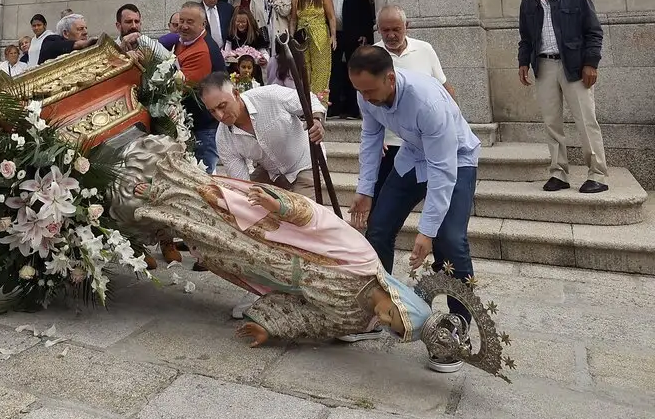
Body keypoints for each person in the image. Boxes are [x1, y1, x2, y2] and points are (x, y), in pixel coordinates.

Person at [112, 135, 498, 378]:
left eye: (391, 330)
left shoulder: (351, 318)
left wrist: (271, 327)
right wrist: (278, 203)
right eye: (393, 315)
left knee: (203, 240)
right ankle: (152, 180)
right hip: (269, 233)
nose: (382, 320)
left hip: (257, 265)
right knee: (211, 205)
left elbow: (307, 318)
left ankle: (151, 211)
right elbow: (319, 221)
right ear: (399, 298)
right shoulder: (361, 259)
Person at [347, 46, 480, 373]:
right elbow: (370, 138)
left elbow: (443, 170)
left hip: (456, 161)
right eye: (359, 91)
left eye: (370, 90)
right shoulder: (369, 95)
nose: (364, 98)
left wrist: (427, 232)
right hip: (412, 158)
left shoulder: (427, 102)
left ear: (390, 78)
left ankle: (456, 324)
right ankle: (381, 308)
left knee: (450, 239)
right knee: (378, 227)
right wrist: (365, 190)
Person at [517, 0, 609, 193]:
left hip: (575, 66)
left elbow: (594, 33)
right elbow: (525, 39)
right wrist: (523, 63)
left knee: (586, 120)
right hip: (544, 66)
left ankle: (597, 173)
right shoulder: (528, 3)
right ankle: (559, 173)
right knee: (551, 122)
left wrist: (591, 63)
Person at [373, 5, 457, 202]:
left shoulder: (425, 49)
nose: (391, 35)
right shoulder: (372, 55)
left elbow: (445, 90)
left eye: (396, 29)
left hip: (427, 141)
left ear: (406, 26)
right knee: (382, 203)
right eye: (385, 30)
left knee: (439, 199)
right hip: (391, 143)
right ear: (378, 29)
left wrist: (454, 127)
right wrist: (376, 139)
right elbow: (369, 102)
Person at [199, 72, 325, 199]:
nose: (220, 116)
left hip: (306, 164)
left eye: (222, 106)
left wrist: (316, 120)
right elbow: (241, 185)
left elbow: (309, 101)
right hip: (272, 173)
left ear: (236, 94)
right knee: (244, 202)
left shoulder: (269, 96)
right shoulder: (223, 138)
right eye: (213, 111)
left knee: (302, 214)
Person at [170, 2, 228, 172]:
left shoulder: (202, 51)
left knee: (204, 181)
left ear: (203, 24)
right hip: (195, 125)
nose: (184, 26)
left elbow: (178, 88)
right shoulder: (186, 41)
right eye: (181, 21)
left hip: (205, 128)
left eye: (190, 22)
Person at [327, 0, 374, 119]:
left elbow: (366, 13)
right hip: (333, 36)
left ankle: (353, 109)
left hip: (352, 35)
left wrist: (365, 33)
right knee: (334, 72)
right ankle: (334, 108)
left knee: (353, 70)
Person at [290, 0, 336, 103]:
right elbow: (293, 19)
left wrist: (333, 35)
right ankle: (306, 105)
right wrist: (291, 38)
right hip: (302, 37)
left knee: (321, 70)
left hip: (320, 35)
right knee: (304, 70)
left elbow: (331, 17)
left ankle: (320, 105)